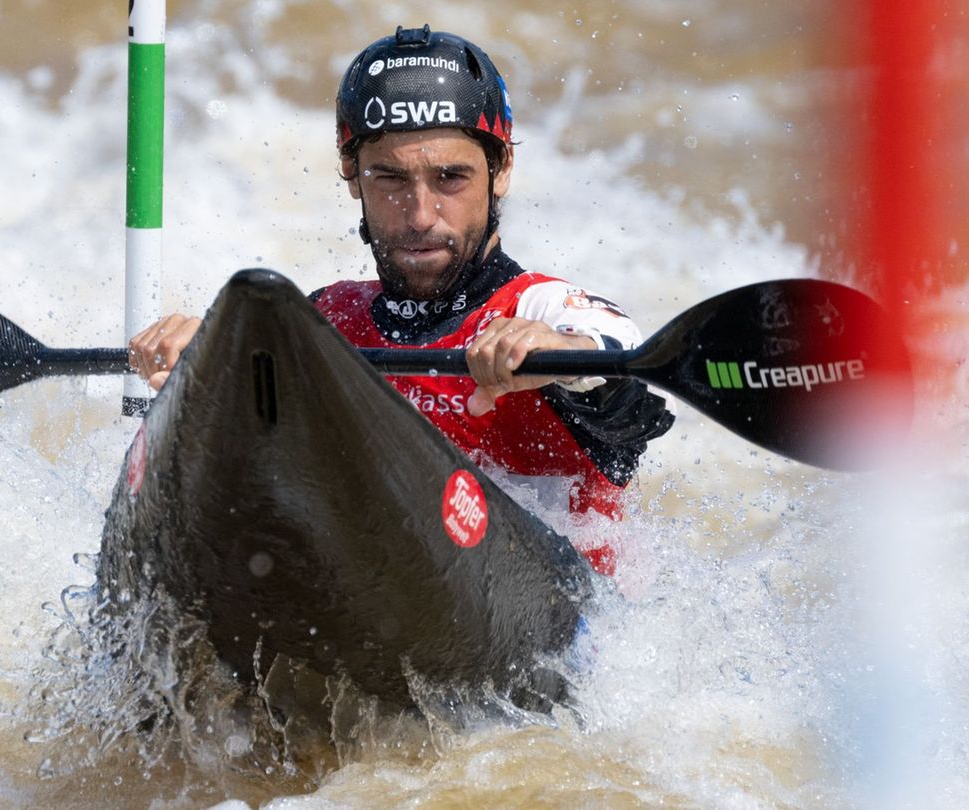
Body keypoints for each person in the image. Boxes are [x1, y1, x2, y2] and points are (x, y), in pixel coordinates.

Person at [128, 25, 673, 575]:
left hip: (571, 640)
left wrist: (562, 353)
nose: (419, 215)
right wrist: (204, 369)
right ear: (351, 175)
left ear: (500, 169)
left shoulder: (542, 311)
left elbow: (626, 362)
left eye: (450, 178)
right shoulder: (327, 322)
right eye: (388, 177)